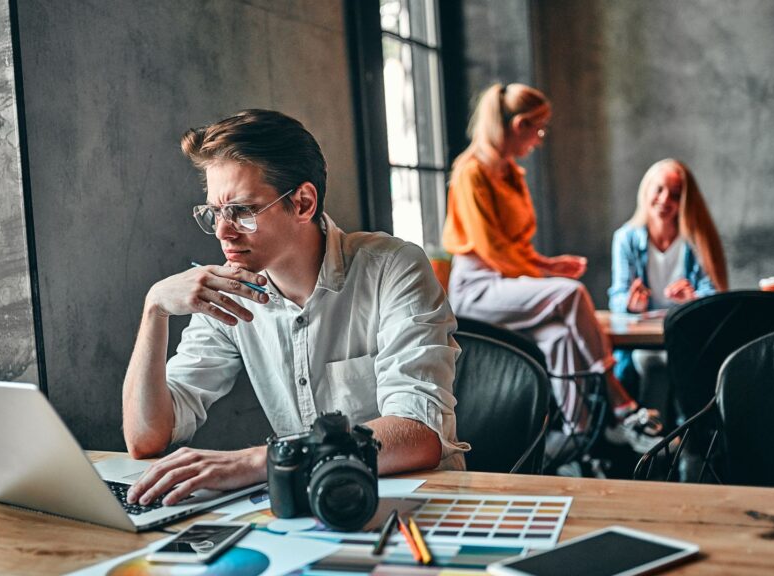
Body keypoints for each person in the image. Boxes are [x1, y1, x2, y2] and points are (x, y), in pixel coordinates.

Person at [122, 109, 468, 507]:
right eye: (215, 212)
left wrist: (259, 460)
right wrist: (154, 311)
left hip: (419, 506)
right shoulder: (230, 291)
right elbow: (145, 438)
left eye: (242, 211)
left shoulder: (393, 267)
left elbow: (418, 432)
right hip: (310, 511)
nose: (222, 231)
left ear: (303, 203)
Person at [441, 82, 661, 454]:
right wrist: (546, 274)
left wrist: (546, 263)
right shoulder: (470, 173)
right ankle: (619, 398)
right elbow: (492, 250)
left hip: (505, 279)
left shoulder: (511, 174)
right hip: (476, 288)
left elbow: (514, 247)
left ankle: (579, 436)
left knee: (559, 337)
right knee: (571, 292)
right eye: (537, 128)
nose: (540, 138)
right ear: (518, 125)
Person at [608, 158, 727, 419]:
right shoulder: (626, 238)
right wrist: (631, 304)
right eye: (659, 189)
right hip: (644, 343)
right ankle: (666, 444)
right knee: (650, 361)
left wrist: (693, 300)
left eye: (675, 195)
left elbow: (716, 299)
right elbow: (617, 296)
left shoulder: (696, 240)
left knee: (683, 362)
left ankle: (674, 443)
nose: (665, 200)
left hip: (686, 337)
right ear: (646, 189)